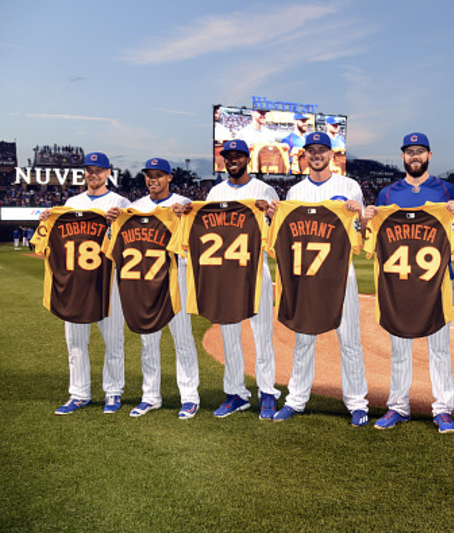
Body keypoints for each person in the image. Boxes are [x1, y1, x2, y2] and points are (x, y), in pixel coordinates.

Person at [266, 131, 369, 426]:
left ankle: (357, 402)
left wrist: (358, 214)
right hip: (306, 275)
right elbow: (283, 236)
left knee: (349, 340)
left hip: (340, 274)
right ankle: (296, 400)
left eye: (322, 150)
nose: (316, 155)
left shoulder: (349, 186)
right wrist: (275, 216)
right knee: (303, 339)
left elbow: (360, 232)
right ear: (305, 156)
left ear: (332, 155)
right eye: (311, 150)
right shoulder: (295, 193)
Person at [362, 132, 454, 433]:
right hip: (399, 283)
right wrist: (367, 219)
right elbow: (373, 238)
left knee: (440, 349)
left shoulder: (447, 189)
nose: (414, 156)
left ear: (429, 155)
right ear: (403, 157)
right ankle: (397, 406)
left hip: (436, 282)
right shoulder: (388, 195)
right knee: (400, 350)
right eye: (409, 152)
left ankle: (443, 409)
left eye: (420, 151)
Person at [106, 158, 201, 419]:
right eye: (149, 175)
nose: (153, 180)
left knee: (182, 339)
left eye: (159, 175)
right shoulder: (135, 208)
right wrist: (112, 221)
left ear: (169, 178)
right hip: (144, 277)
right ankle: (150, 396)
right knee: (149, 340)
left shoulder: (183, 204)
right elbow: (115, 241)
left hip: (176, 274)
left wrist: (188, 215)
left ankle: (190, 397)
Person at [194, 140, 280, 419]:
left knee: (262, 334)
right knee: (229, 334)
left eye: (237, 156)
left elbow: (276, 231)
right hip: (224, 271)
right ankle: (235, 393)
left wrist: (269, 213)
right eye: (228, 156)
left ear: (247, 159)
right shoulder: (215, 192)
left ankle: (267, 391)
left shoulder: (264, 189)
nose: (232, 160)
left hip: (255, 270)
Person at [37, 152, 128, 415]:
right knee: (75, 341)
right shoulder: (71, 202)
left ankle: (113, 392)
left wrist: (117, 220)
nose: (93, 174)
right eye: (89, 169)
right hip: (77, 280)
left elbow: (127, 238)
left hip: (108, 280)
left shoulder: (119, 201)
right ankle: (79, 393)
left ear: (108, 173)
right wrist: (47, 219)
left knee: (114, 340)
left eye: (98, 170)